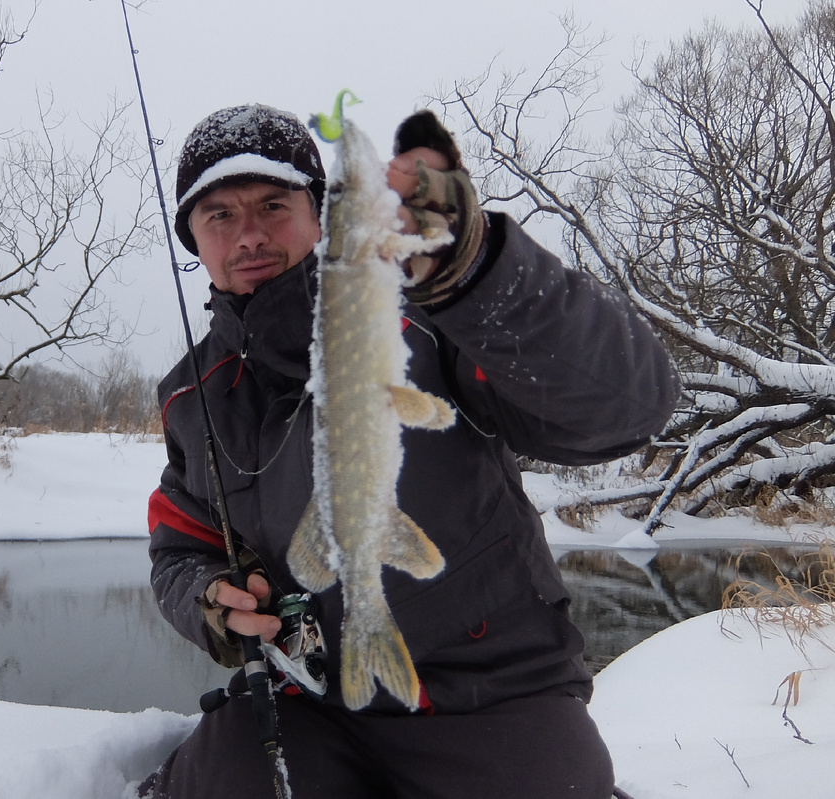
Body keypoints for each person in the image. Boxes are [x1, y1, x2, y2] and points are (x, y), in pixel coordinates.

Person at [137, 104, 679, 799]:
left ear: (320, 216)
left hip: (490, 694)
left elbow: (627, 407)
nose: (249, 234)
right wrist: (211, 597)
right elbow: (180, 546)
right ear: (193, 236)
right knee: (225, 779)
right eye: (219, 215)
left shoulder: (431, 310)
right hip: (311, 704)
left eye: (273, 204)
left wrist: (483, 273)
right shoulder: (193, 394)